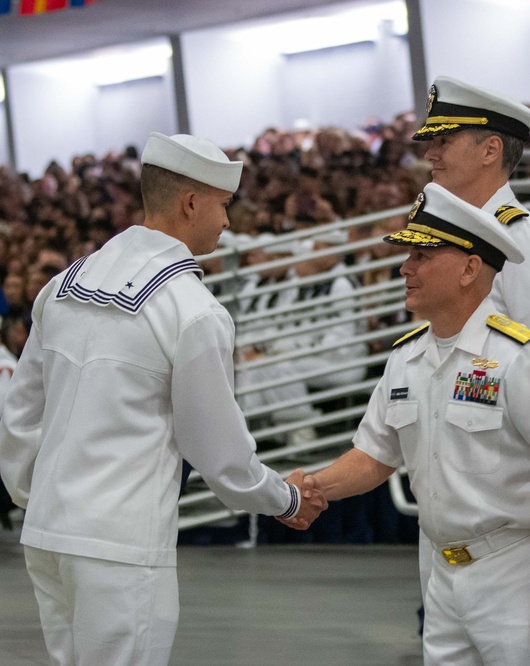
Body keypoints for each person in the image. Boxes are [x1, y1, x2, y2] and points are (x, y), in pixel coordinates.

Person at [0, 132, 327, 666]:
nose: (227, 221)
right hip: (121, 543)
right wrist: (283, 499)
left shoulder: (60, 285)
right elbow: (220, 453)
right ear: (191, 202)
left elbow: (19, 416)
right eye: (223, 205)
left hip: (48, 533)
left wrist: (36, 498)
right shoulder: (191, 309)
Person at [308, 182, 530, 665]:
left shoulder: (517, 357)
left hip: (517, 571)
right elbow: (374, 457)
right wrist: (312, 486)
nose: (405, 268)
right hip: (442, 575)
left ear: (469, 268)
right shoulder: (407, 358)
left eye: (422, 255)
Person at [411, 76, 530, 402]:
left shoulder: (518, 236)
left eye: (443, 141)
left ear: (490, 150)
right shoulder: (457, 233)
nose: (430, 153)